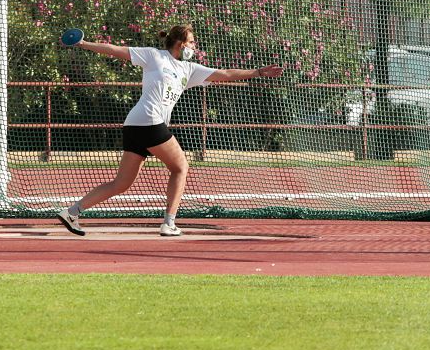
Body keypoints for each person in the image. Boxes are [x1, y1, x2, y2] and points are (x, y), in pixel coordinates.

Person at [57, 24, 283, 236]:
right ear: (181, 44)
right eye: (192, 42)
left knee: (122, 183)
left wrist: (257, 72)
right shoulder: (154, 56)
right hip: (147, 120)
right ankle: (169, 223)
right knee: (180, 167)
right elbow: (117, 50)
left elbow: (224, 74)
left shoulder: (189, 69)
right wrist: (83, 44)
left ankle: (71, 212)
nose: (195, 47)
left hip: (137, 124)